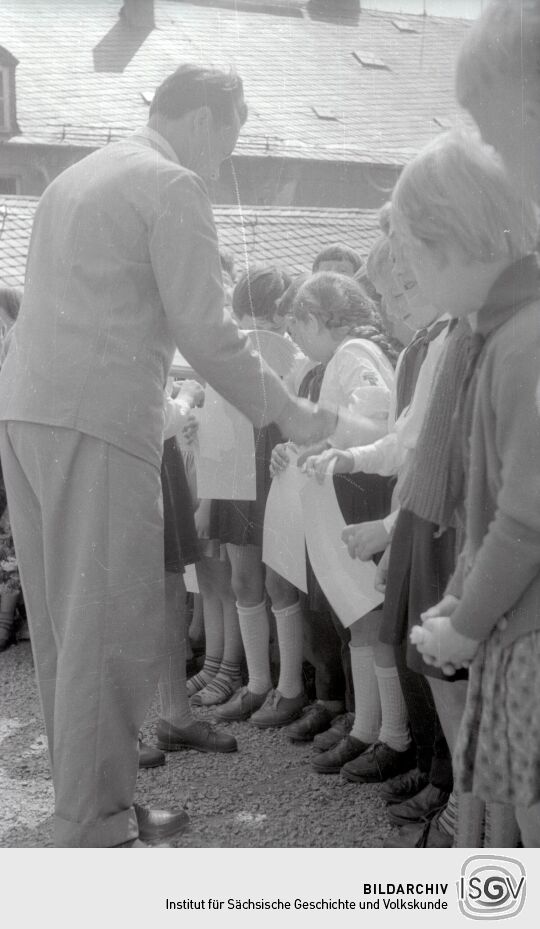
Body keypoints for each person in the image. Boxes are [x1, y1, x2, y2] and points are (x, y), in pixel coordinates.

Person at [0, 64, 337, 848]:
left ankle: (88, 804)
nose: (231, 154)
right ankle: (95, 824)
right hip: (100, 417)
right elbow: (207, 334)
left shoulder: (78, 176)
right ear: (208, 119)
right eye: (236, 131)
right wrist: (291, 410)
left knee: (62, 629)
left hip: (26, 410)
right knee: (109, 626)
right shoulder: (173, 184)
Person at [391, 129, 540, 847]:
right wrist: (459, 601)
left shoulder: (521, 342)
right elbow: (497, 515)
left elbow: (525, 521)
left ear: (447, 243)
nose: (407, 276)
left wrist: (465, 624)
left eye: (410, 255)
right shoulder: (503, 331)